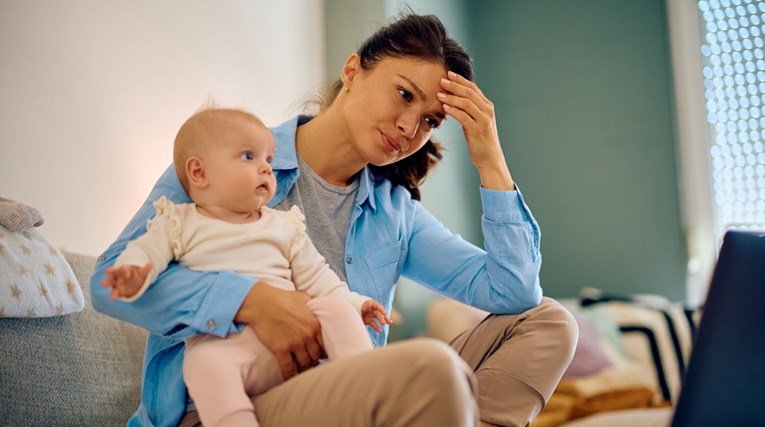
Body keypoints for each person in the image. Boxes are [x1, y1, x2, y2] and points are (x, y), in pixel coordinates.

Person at [91, 12, 578, 427]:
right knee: (430, 369)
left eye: (431, 120)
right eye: (405, 95)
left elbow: (515, 293)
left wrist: (491, 159)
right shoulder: (227, 161)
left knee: (551, 322)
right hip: (226, 403)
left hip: (348, 393)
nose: (411, 128)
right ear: (352, 71)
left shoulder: (396, 213)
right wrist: (249, 300)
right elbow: (108, 281)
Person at [100, 107, 392, 427]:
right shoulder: (177, 223)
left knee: (335, 313)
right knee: (200, 363)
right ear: (199, 173)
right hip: (229, 348)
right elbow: (146, 251)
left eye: (268, 159)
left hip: (298, 339)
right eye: (249, 156)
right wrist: (131, 272)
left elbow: (318, 276)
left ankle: (370, 395)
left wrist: (355, 303)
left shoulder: (285, 225)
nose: (267, 169)